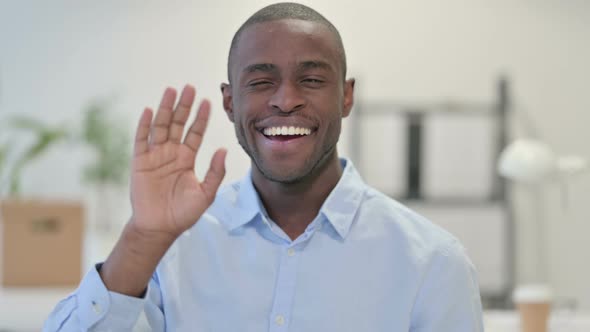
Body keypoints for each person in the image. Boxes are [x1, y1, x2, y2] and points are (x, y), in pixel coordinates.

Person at [44, 2, 484, 331]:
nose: (285, 99)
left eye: (311, 80)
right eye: (260, 82)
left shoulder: (432, 263)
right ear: (230, 101)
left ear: (346, 96)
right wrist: (143, 239)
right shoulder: (172, 248)